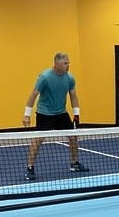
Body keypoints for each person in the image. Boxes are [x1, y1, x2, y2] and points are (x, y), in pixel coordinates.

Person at [22, 52, 89, 180]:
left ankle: (74, 164)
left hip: (61, 113)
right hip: (44, 113)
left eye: (68, 63)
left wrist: (76, 115)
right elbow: (33, 95)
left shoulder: (69, 78)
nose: (68, 66)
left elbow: (73, 96)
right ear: (56, 64)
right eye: (65, 63)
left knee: (73, 136)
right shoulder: (44, 77)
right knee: (38, 140)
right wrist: (27, 115)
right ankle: (30, 168)